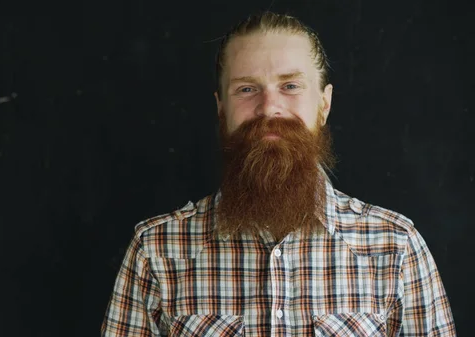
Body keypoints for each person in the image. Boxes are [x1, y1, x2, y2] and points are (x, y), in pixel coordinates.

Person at [100, 11, 456, 336]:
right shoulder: (157, 250)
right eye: (246, 89)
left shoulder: (395, 246)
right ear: (221, 108)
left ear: (324, 103)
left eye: (290, 86)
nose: (269, 107)